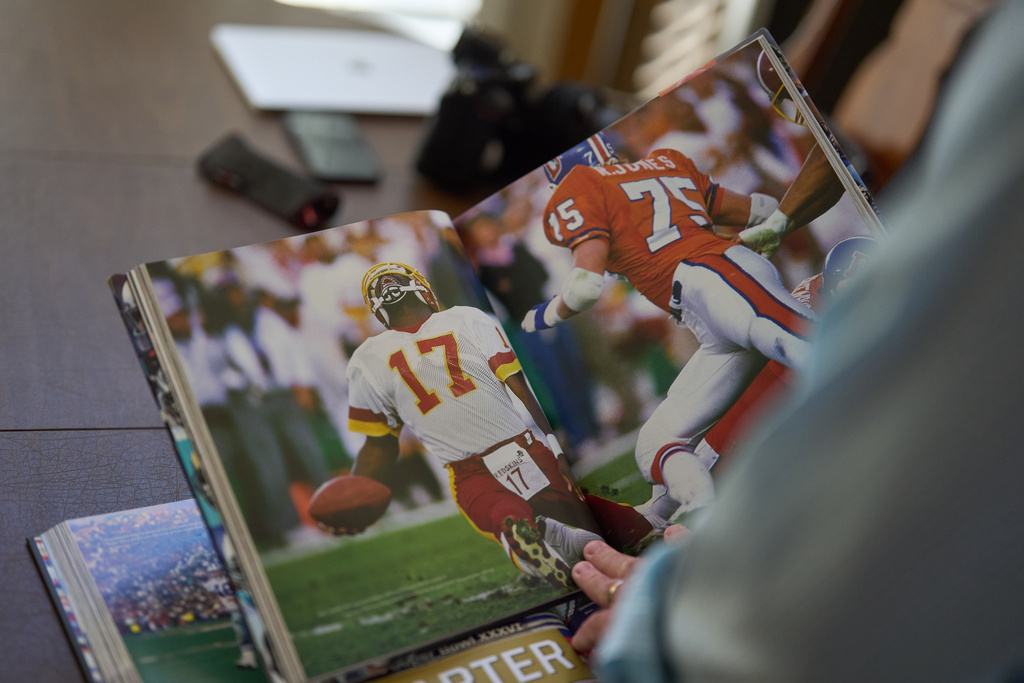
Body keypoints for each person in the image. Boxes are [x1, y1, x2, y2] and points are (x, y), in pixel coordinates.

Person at [569, 1, 1024, 679]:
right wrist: (777, 221)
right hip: (766, 288)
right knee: (675, 433)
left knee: (779, 358)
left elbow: (787, 639)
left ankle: (692, 513)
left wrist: (675, 619)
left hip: (764, 304)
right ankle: (676, 508)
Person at [521, 133, 831, 521]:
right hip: (714, 303)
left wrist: (544, 315)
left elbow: (584, 287)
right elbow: (761, 209)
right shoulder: (666, 162)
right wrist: (779, 224)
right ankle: (698, 518)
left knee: (804, 346)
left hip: (712, 278)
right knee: (654, 445)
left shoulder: (583, 188)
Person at [342, 262, 655, 588]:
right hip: (517, 450)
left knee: (507, 515)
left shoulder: (369, 357)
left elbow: (377, 444)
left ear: (378, 312)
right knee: (579, 515)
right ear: (421, 289)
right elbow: (520, 388)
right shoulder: (467, 317)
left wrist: (357, 493)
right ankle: (609, 531)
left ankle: (525, 538)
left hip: (473, 469)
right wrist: (554, 446)